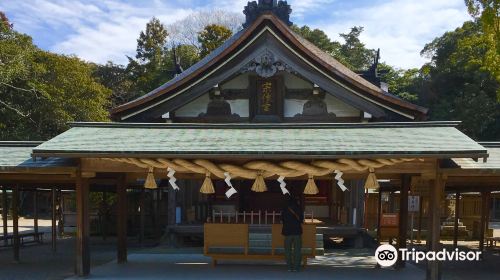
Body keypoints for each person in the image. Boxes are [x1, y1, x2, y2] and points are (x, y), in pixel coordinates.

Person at [281, 195, 304, 272]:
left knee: (288, 250)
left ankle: (289, 267)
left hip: (288, 232)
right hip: (297, 231)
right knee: (297, 250)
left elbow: (282, 219)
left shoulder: (285, 208)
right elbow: (301, 220)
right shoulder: (299, 208)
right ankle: (296, 267)